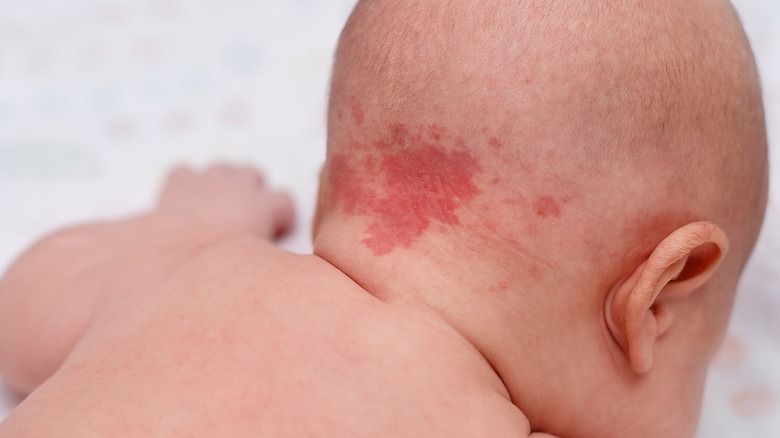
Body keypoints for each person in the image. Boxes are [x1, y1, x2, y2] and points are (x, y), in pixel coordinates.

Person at [0, 0, 768, 436]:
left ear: (330, 186)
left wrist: (178, 222)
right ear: (657, 298)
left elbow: (22, 304)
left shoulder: (182, 275)